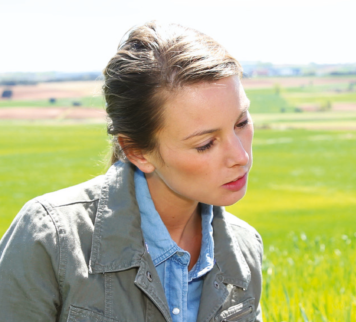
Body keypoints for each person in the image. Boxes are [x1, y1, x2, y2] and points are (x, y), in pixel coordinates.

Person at [0, 21, 263, 322]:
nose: (240, 157)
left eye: (241, 123)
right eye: (205, 144)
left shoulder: (245, 248)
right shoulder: (50, 240)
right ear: (137, 151)